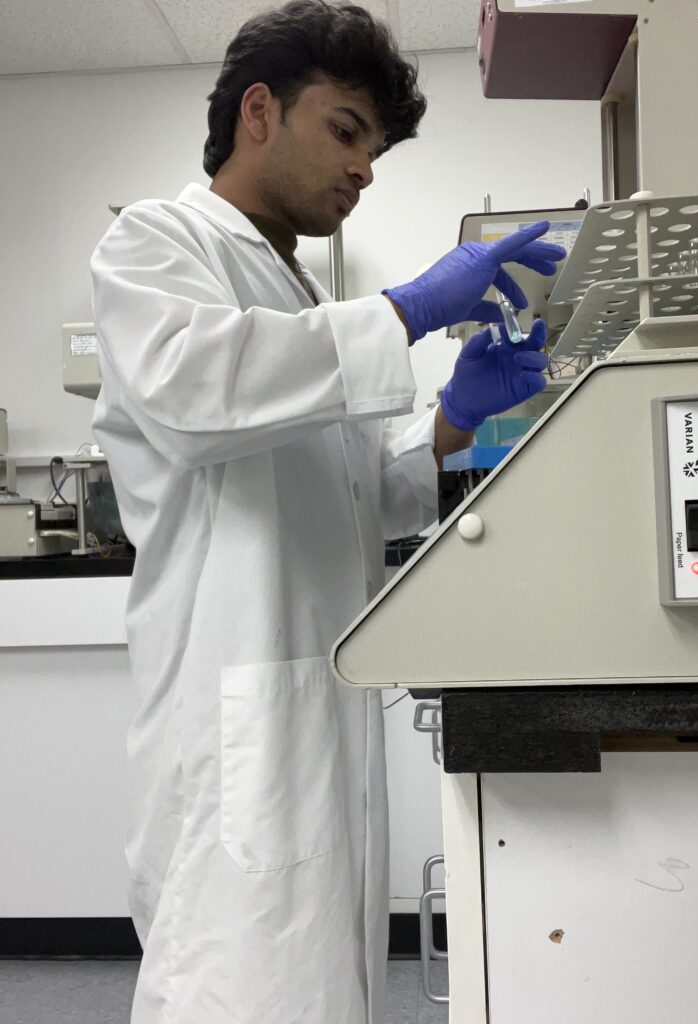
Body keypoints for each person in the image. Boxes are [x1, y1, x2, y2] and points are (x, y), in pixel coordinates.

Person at [90, 2, 565, 1022]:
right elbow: (193, 390)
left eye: (376, 150)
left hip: (308, 697)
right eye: (347, 130)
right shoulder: (155, 243)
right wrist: (407, 310)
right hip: (234, 707)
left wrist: (448, 423)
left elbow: (345, 490)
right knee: (233, 978)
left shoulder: (298, 292)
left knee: (307, 977)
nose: (364, 167)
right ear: (259, 111)